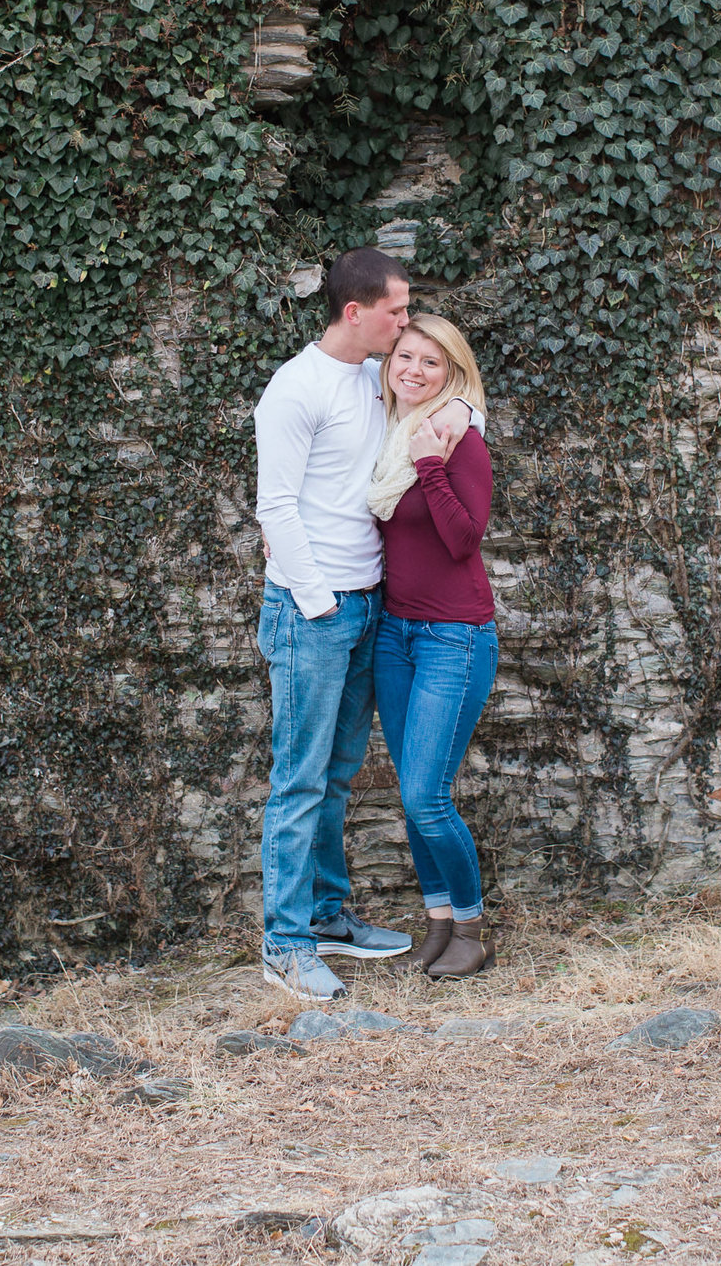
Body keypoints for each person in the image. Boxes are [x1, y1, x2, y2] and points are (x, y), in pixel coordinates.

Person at [253, 246, 420, 1000]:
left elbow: (445, 397)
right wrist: (320, 602)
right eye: (397, 310)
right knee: (299, 780)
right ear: (355, 312)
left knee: (337, 777)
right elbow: (275, 509)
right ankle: (284, 946)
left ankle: (326, 918)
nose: (407, 322)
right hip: (312, 611)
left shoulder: (369, 375)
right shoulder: (294, 389)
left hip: (365, 603)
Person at [369, 312, 498, 978]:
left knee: (426, 795)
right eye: (405, 357)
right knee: (413, 793)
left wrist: (430, 465)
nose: (414, 370)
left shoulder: (455, 438)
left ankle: (472, 925)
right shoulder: (387, 436)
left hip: (456, 635)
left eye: (431, 362)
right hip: (395, 634)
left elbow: (462, 538)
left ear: (453, 373)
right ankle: (439, 922)